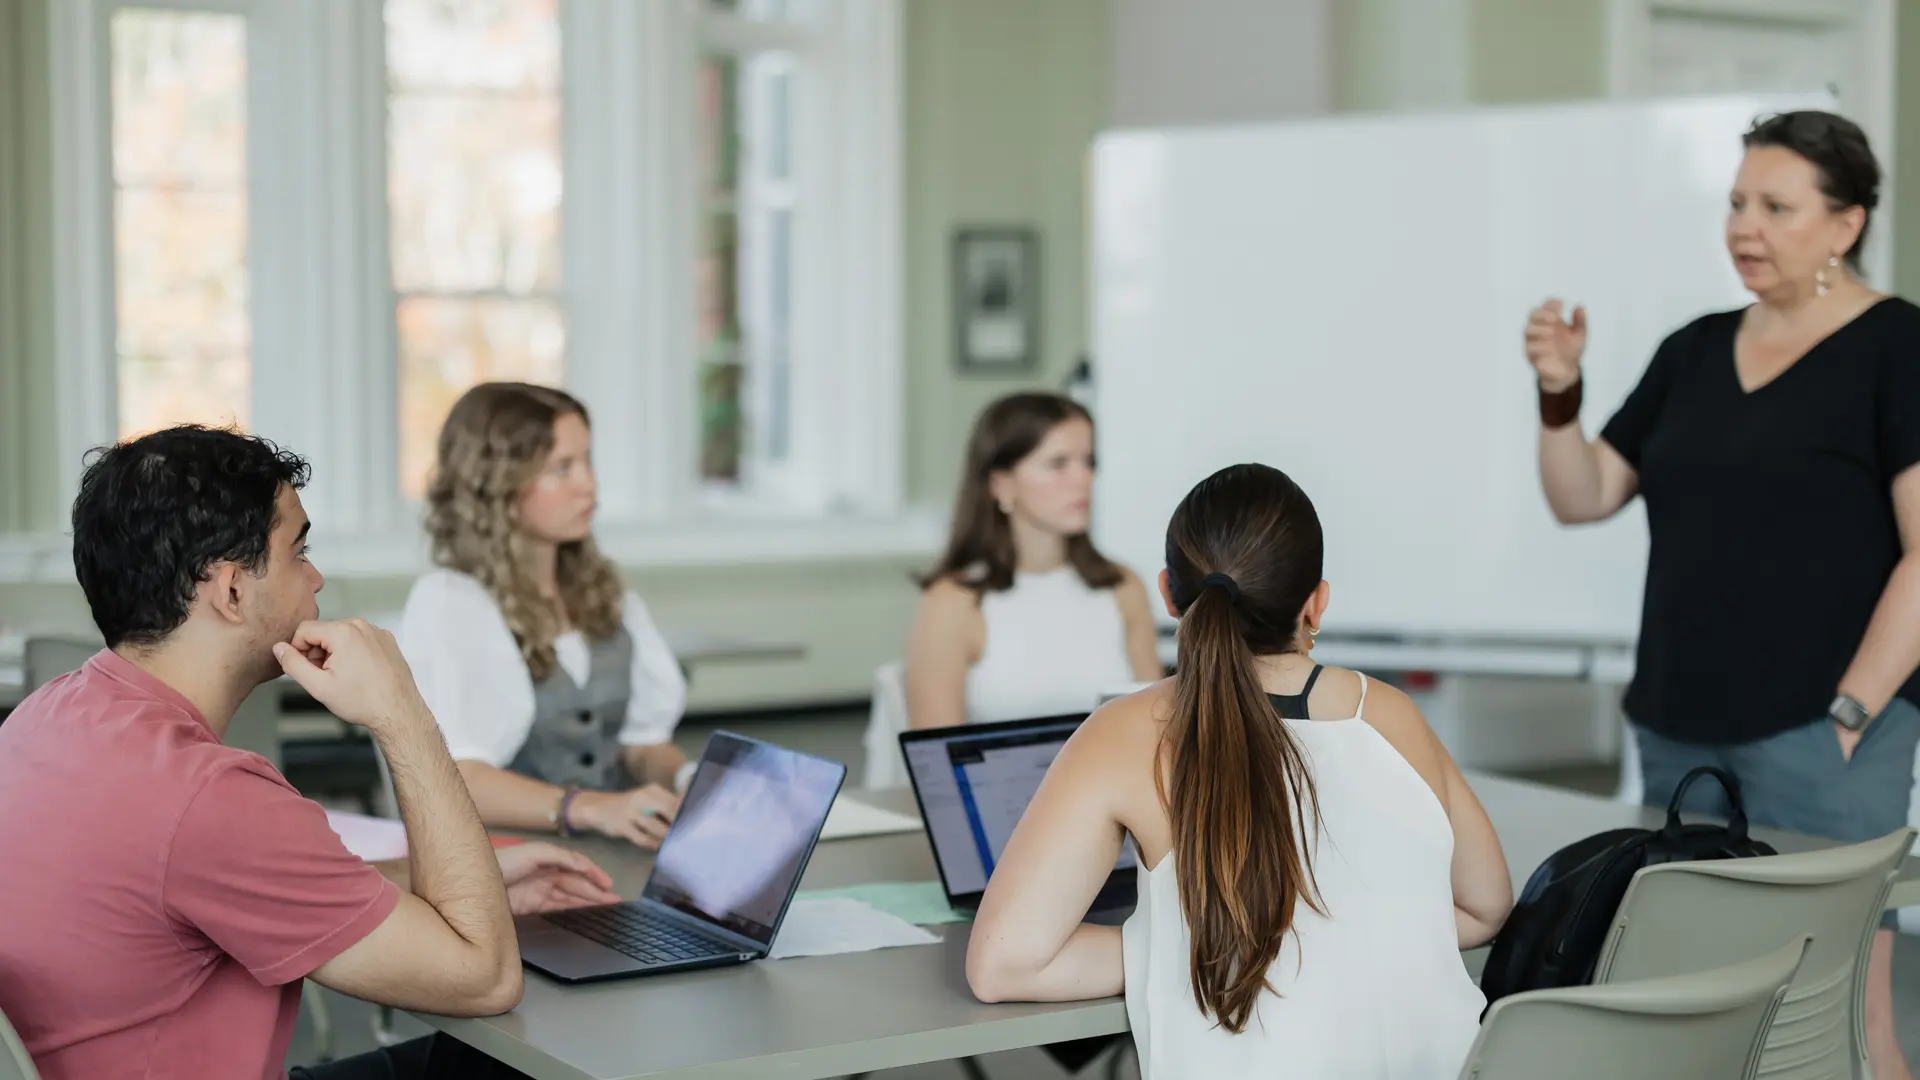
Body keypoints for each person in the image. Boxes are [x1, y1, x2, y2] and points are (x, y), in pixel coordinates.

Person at [0, 425, 621, 1080]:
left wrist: (465, 883)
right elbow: (484, 978)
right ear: (232, 591)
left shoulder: (46, 716)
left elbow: (229, 885)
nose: (318, 578)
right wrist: (401, 711)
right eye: (300, 552)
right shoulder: (209, 795)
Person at [1527, 109, 1920, 1080]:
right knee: (1696, 1004)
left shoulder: (1896, 345)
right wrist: (1559, 392)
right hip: (1678, 728)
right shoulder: (1694, 349)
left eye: (1776, 206)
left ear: (1846, 223)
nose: (1745, 225)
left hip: (1824, 737)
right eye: (1738, 201)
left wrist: (1849, 713)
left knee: (1844, 1014)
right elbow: (1585, 498)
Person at [965, 463, 1511, 1079]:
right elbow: (1486, 905)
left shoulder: (1126, 731)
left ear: (1171, 595)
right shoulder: (1388, 712)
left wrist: (1199, 943)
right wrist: (1336, 931)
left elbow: (1005, 964)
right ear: (1316, 603)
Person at [400, 383, 690, 850]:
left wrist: (685, 777)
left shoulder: (606, 592)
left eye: (587, 460)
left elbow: (640, 744)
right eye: (562, 468)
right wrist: (592, 808)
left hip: (617, 854)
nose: (588, 485)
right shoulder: (452, 602)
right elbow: (457, 780)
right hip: (510, 869)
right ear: (498, 485)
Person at [906, 392, 1163, 730]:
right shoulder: (952, 602)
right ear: (1000, 484)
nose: (1082, 479)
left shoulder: (1123, 587)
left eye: (1088, 462)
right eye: (1058, 464)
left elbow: (1157, 728)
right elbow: (936, 760)